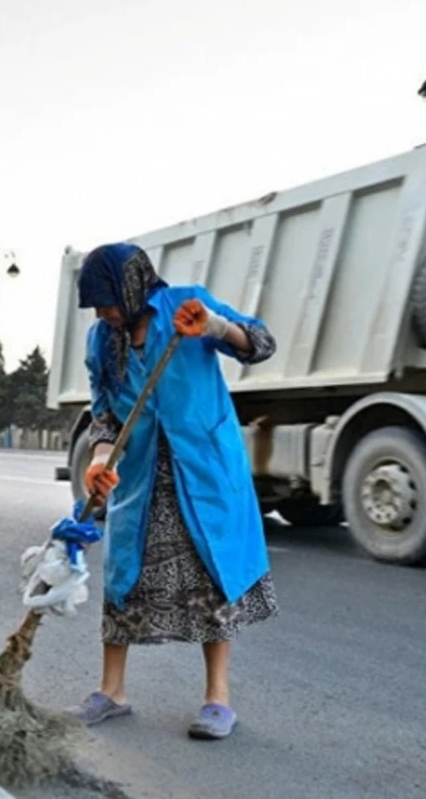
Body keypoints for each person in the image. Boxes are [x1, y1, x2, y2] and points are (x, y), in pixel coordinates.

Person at [69, 241, 279, 740]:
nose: (103, 312)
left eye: (108, 301)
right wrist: (100, 460)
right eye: (97, 305)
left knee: (211, 581)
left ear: (135, 286)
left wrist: (215, 326)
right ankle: (111, 692)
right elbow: (104, 412)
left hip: (202, 470)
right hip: (141, 476)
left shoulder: (187, 303)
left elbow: (261, 343)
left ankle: (217, 700)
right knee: (123, 579)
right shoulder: (103, 340)